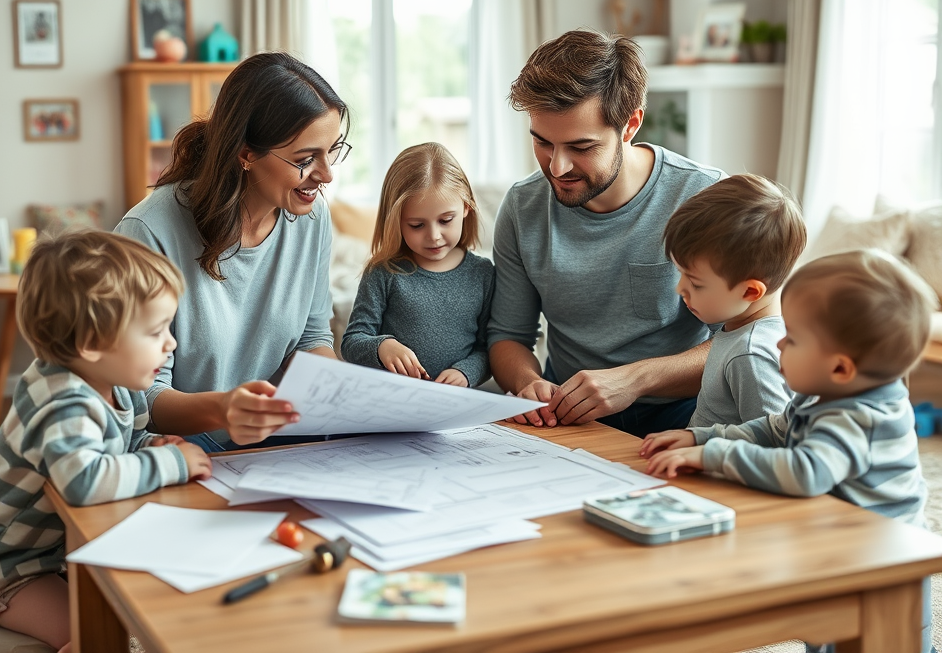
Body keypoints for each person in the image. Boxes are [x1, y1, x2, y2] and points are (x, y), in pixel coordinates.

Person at [642, 249, 939, 653]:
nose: (778, 341)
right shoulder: (825, 395)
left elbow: (804, 472)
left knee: (881, 642)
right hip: (840, 542)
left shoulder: (858, 418)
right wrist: (705, 437)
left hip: (883, 559)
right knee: (826, 633)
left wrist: (715, 458)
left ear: (840, 368)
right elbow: (775, 428)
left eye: (793, 338)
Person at [0, 231, 212, 653]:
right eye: (155, 331)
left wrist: (153, 446)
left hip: (56, 550)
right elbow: (84, 480)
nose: (172, 342)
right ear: (92, 344)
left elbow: (127, 440)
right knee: (93, 637)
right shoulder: (63, 401)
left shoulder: (119, 383)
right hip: (6, 568)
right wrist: (173, 464)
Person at [488, 29, 722, 437]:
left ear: (630, 124)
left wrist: (636, 379)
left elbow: (749, 339)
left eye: (581, 147)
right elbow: (508, 336)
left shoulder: (704, 199)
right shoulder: (522, 207)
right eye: (542, 143)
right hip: (566, 417)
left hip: (688, 420)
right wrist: (527, 383)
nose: (557, 167)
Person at [115, 51, 350, 451]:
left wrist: (346, 398)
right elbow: (141, 397)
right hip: (181, 447)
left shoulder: (312, 220)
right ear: (246, 154)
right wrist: (225, 410)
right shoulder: (148, 233)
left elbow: (312, 337)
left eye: (334, 150)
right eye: (306, 159)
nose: (327, 174)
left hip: (274, 440)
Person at [341, 142, 494, 387]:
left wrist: (466, 372)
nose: (433, 235)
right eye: (416, 225)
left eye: (445, 220)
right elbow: (352, 342)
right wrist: (383, 347)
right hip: (394, 402)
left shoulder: (483, 273)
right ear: (396, 220)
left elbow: (489, 349)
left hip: (455, 405)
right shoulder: (383, 272)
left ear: (466, 207)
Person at [662, 174, 806, 427]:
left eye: (696, 283)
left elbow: (773, 446)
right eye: (681, 273)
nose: (680, 288)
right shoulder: (743, 333)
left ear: (750, 292)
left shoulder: (751, 355)